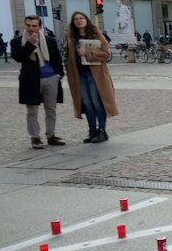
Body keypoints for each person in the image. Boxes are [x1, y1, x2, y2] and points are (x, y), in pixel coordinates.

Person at [13, 15, 67, 150]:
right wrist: (30, 44)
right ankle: (35, 137)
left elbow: (56, 58)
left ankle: (51, 135)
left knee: (51, 109)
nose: (31, 28)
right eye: (28, 25)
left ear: (40, 27)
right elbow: (19, 58)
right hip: (31, 80)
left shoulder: (49, 41)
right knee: (32, 110)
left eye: (34, 26)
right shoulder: (17, 41)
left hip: (50, 78)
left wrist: (59, 74)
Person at [65, 10, 118, 143]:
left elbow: (106, 54)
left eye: (81, 18)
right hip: (80, 75)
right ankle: (92, 130)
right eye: (76, 19)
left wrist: (88, 53)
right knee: (87, 104)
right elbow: (67, 55)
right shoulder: (71, 37)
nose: (79, 20)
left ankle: (102, 130)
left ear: (86, 20)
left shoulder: (96, 35)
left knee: (97, 102)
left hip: (96, 75)